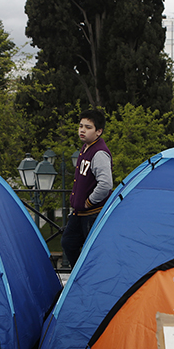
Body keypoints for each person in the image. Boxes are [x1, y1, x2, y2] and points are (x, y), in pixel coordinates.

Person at [62, 108, 113, 267]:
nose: (82, 130)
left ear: (99, 132)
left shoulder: (99, 153)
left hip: (92, 213)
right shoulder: (86, 148)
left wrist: (89, 202)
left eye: (88, 127)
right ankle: (80, 275)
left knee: (93, 252)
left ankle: (89, 277)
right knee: (68, 243)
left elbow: (106, 184)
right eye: (81, 126)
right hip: (79, 213)